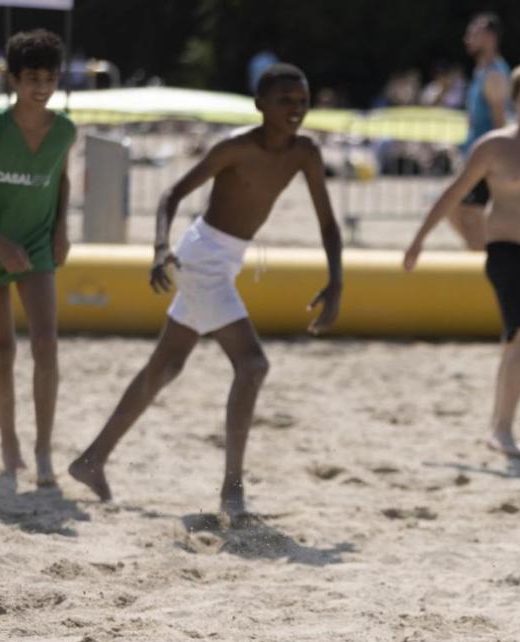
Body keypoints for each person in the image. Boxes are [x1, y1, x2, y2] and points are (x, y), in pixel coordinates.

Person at [68, 64, 342, 516]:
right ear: (260, 105)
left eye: (302, 100)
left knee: (167, 365)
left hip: (226, 260)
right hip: (201, 258)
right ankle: (232, 491)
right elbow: (170, 195)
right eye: (285, 100)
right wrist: (160, 247)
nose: (296, 109)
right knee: (252, 365)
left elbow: (329, 223)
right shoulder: (235, 147)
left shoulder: (306, 153)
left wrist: (338, 280)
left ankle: (91, 460)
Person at [403, 60, 520, 458]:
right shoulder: (495, 145)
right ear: (515, 102)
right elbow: (453, 192)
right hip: (507, 252)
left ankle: (497, 425)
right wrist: (419, 240)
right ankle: (504, 430)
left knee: (515, 342)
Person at [0, 29, 75, 487]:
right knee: (1, 348)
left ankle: (44, 449)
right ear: (13, 79)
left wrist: (61, 230)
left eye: (50, 77)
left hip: (35, 244)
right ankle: (9, 441)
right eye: (32, 77)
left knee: (47, 344)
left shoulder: (66, 129)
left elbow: (62, 179)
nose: (42, 87)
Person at [447, 12, 510, 251]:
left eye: (474, 33)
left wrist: (496, 162)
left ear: (490, 38)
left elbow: (499, 122)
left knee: (460, 210)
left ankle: (485, 261)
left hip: (486, 158)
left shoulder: (494, 74)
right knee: (459, 211)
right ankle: (483, 256)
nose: (468, 38)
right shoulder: (482, 71)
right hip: (476, 156)